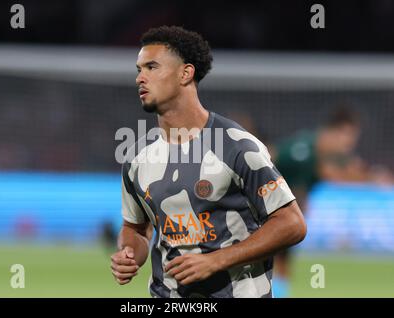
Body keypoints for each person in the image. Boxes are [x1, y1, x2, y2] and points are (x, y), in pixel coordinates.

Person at [110, 25, 307, 298]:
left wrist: (216, 260)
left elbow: (291, 224)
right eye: (139, 69)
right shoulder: (135, 157)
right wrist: (129, 252)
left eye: (152, 67)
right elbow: (136, 228)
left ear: (185, 73)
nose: (140, 78)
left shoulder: (237, 146)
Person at [272, 107, 393, 297]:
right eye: (348, 136)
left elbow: (343, 172)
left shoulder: (329, 158)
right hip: (259, 208)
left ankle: (279, 292)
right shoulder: (299, 149)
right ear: (333, 132)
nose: (350, 143)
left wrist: (375, 178)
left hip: (283, 213)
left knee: (285, 253)